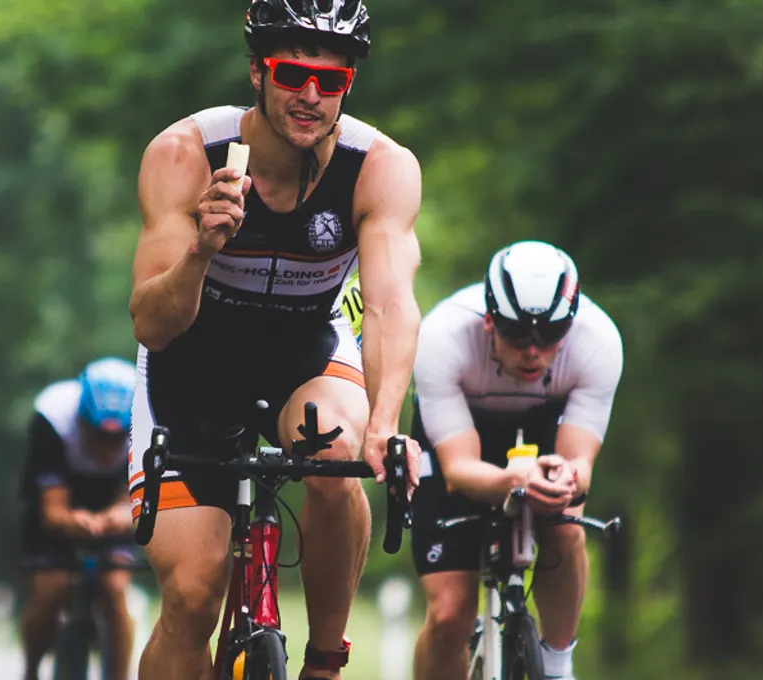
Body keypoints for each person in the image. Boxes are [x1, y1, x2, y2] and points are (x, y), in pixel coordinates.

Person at [126, 1, 425, 677]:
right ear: (258, 71)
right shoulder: (185, 154)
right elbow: (151, 322)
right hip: (189, 368)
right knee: (194, 594)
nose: (311, 96)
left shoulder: (379, 167)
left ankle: (325, 660)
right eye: (293, 74)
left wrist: (385, 424)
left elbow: (386, 306)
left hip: (303, 355)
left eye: (333, 81)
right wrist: (200, 252)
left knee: (336, 446)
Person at [407, 241, 622, 680]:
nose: (532, 351)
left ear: (572, 322)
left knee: (565, 531)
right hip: (462, 437)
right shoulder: (443, 335)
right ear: (489, 320)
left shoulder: (598, 341)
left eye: (550, 335)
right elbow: (458, 471)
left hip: (545, 428)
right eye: (516, 333)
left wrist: (567, 478)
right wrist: (512, 478)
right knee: (450, 613)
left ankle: (559, 667)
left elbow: (580, 464)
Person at [17, 358, 145, 680]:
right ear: (81, 419)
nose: (104, 449)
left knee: (115, 589)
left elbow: (137, 499)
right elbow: (51, 510)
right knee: (52, 586)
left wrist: (122, 515)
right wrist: (73, 520)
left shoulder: (145, 421)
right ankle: (31, 668)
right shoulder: (53, 417)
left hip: (113, 498)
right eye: (96, 436)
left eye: (114, 441)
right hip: (61, 496)